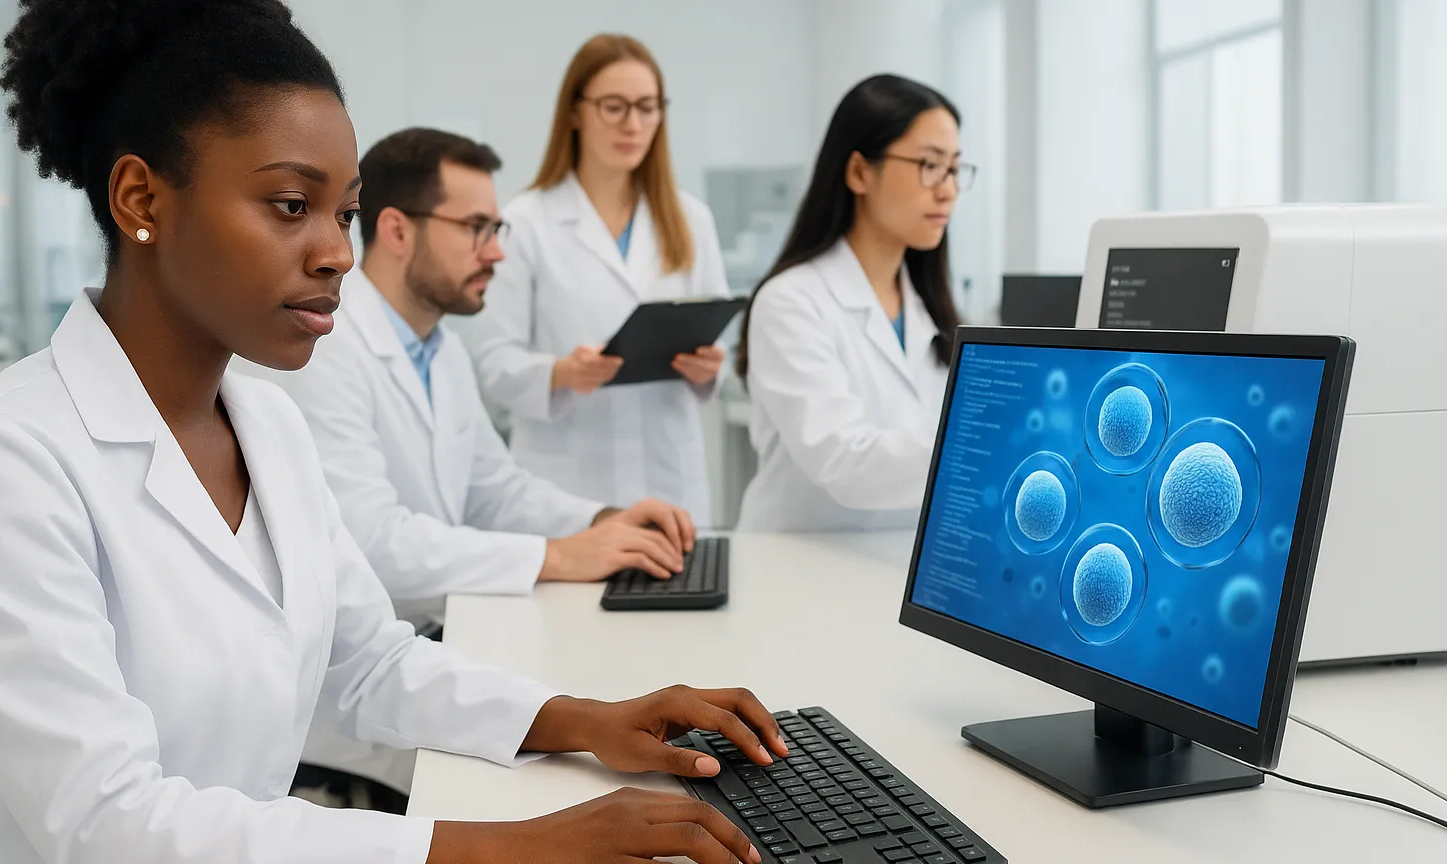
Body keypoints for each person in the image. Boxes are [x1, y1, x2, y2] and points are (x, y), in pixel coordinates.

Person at [0, 3, 788, 863]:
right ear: (142, 197)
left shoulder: (267, 427)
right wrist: (510, 847)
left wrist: (594, 720)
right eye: (291, 204)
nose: (337, 253)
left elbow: (368, 666)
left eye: (344, 214)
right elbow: (107, 823)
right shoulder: (3, 458)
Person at [259, 127, 701, 795]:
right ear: (398, 231)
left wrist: (605, 519)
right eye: (475, 228)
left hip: (436, 644)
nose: (496, 250)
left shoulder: (440, 350)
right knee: (574, 783)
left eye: (496, 227)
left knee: (605, 727)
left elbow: (493, 488)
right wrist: (558, 557)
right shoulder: (326, 352)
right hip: (353, 695)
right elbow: (372, 544)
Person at [471, 33, 730, 525]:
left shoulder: (691, 219)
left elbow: (716, 344)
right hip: (566, 492)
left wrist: (709, 369)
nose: (633, 124)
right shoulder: (526, 221)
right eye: (614, 106)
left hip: (670, 481)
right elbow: (492, 363)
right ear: (575, 111)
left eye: (647, 107)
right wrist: (560, 374)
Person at [734, 74, 974, 533]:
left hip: (895, 571)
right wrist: (981, 450)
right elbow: (844, 462)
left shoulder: (932, 310)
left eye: (955, 169)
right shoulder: (791, 302)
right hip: (794, 572)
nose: (948, 189)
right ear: (860, 172)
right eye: (929, 165)